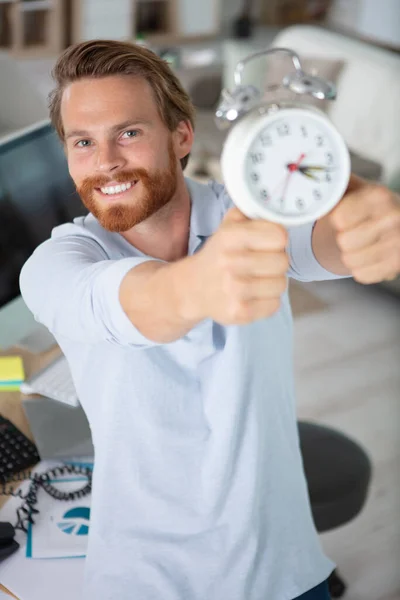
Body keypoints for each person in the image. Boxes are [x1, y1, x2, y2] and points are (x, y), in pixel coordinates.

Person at [20, 40, 400, 600]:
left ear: (181, 136)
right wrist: (198, 283)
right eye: (83, 142)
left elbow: (328, 238)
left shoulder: (252, 211)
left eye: (128, 132)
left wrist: (369, 225)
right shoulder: (56, 263)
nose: (106, 162)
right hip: (144, 582)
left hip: (285, 568)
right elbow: (124, 301)